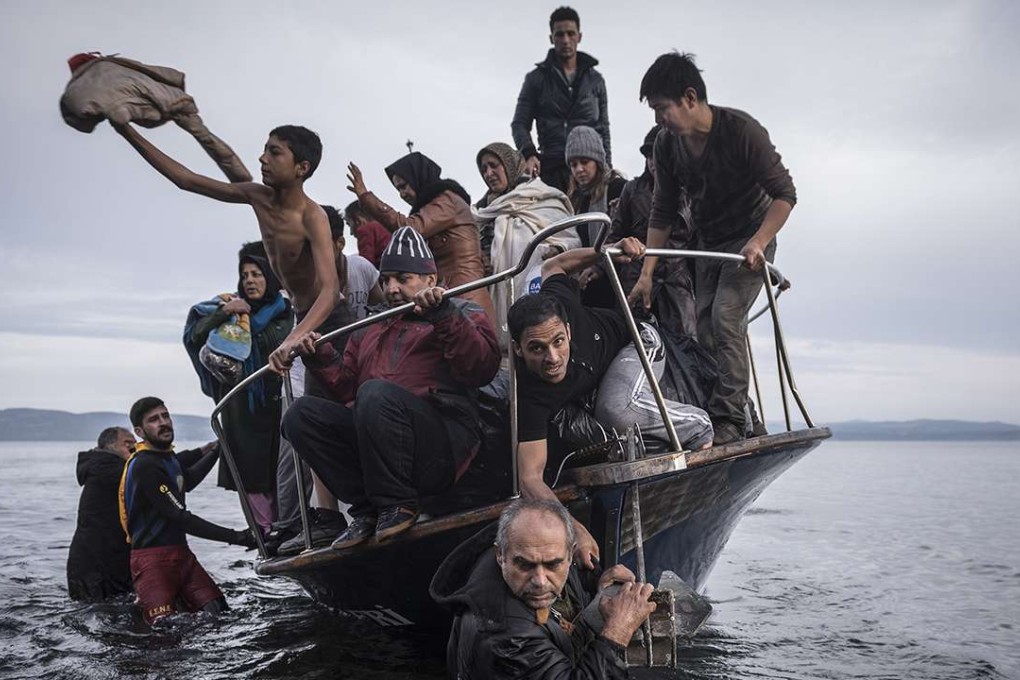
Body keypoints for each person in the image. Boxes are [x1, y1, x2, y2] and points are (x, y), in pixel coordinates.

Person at [282, 227, 501, 549]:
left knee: (375, 392)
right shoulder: (371, 326)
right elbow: (346, 389)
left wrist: (443, 315)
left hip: (440, 446)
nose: (392, 288)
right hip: (379, 446)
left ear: (430, 279)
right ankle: (367, 511)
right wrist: (320, 356)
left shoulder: (463, 311)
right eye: (385, 280)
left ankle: (397, 505)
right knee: (300, 414)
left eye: (403, 278)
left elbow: (480, 368)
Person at [507, 240, 713, 568]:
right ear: (517, 350)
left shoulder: (561, 304)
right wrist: (572, 530)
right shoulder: (528, 392)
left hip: (636, 342)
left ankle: (698, 424)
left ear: (569, 331)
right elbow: (530, 478)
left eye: (558, 341)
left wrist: (607, 249)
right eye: (537, 348)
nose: (552, 358)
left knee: (614, 411)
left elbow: (552, 267)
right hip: (596, 382)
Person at [634, 52, 797, 445]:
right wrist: (646, 274)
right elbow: (663, 213)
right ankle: (727, 414)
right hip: (708, 244)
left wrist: (759, 241)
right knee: (704, 330)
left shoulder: (741, 131)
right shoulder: (667, 147)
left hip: (749, 241)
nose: (659, 120)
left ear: (690, 98)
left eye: (661, 108)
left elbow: (785, 195)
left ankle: (728, 422)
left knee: (726, 317)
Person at [112, 122, 340, 376]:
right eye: (264, 150)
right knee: (299, 407)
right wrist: (126, 131)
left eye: (274, 153)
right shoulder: (259, 197)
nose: (262, 158)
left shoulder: (312, 216)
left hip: (326, 319)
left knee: (330, 401)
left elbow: (330, 292)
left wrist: (292, 338)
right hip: (300, 319)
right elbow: (186, 180)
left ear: (302, 167)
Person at [431, 498, 656, 679]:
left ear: (571, 553)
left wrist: (598, 591)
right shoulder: (506, 639)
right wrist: (618, 631)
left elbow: (563, 610)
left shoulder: (523, 546)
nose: (540, 580)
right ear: (501, 555)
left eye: (552, 564)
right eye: (525, 565)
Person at [184, 251, 294, 536]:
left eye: (256, 274)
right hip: (242, 408)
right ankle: (265, 532)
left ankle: (290, 527)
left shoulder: (285, 312)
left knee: (283, 470)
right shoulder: (226, 307)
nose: (249, 280)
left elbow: (273, 339)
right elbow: (194, 335)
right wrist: (225, 313)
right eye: (244, 275)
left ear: (269, 278)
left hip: (277, 403)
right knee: (251, 475)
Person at [119, 397, 255, 624]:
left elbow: (187, 481)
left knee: (220, 615)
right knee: (164, 632)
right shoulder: (145, 465)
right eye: (154, 420)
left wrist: (217, 451)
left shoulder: (166, 458)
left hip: (182, 555)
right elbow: (180, 517)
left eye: (165, 416)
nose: (163, 422)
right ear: (140, 432)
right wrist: (239, 537)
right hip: (152, 562)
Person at [347, 152, 496, 325]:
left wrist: (366, 196)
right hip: (449, 297)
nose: (402, 194)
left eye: (404, 186)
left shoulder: (446, 200)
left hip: (465, 299)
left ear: (418, 178)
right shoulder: (436, 205)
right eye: (398, 190)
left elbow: (411, 228)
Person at [586, 125, 697, 338]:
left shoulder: (693, 192)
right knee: (632, 340)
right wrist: (599, 266)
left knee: (685, 344)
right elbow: (615, 233)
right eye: (649, 156)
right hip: (635, 278)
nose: (654, 162)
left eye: (659, 155)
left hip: (677, 282)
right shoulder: (633, 189)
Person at [473, 141, 577, 345]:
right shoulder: (482, 211)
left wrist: (557, 249)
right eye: (483, 169)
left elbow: (570, 239)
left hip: (535, 291)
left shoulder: (542, 198)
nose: (489, 173)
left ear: (509, 164)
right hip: (492, 294)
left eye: (494, 165)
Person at [511, 6, 611, 193]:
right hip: (551, 168)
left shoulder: (596, 80)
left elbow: (603, 128)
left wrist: (608, 168)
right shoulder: (536, 79)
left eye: (571, 33)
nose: (565, 40)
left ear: (579, 37)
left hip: (590, 169)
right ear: (551, 38)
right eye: (560, 34)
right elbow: (519, 124)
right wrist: (529, 154)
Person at [67, 427, 135, 601]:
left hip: (99, 560)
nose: (134, 448)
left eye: (135, 443)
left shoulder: (103, 466)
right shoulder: (110, 468)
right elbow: (161, 474)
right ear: (109, 446)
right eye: (128, 444)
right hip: (94, 567)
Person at [324, 204, 385, 322]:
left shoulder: (362, 267)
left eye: (320, 245)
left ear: (340, 243)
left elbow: (383, 309)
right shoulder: (306, 281)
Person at [343, 200, 391, 268]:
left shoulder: (365, 230)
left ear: (358, 220)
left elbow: (366, 262)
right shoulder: (385, 225)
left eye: (350, 224)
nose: (351, 232)